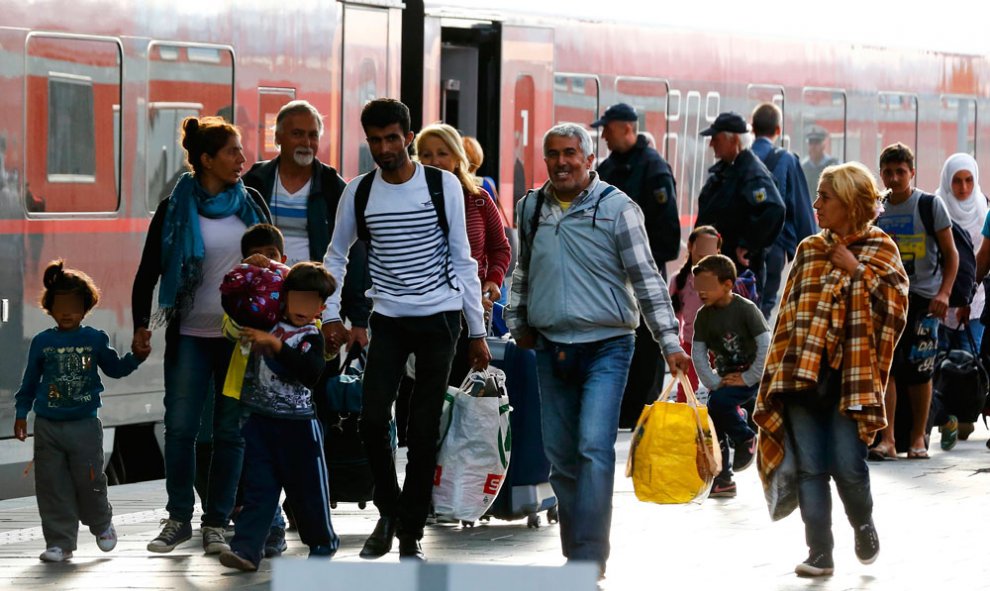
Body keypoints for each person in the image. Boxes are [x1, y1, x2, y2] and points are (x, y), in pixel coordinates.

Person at [504, 122, 690, 578]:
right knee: (561, 456)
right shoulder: (531, 209)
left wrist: (670, 342)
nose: (562, 162)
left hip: (608, 345)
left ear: (590, 160)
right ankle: (577, 545)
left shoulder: (617, 209)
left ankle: (588, 555)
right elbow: (523, 271)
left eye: (571, 153)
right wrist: (517, 322)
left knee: (593, 446)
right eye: (553, 154)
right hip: (550, 347)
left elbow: (647, 280)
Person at [321, 99, 491, 562]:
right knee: (373, 419)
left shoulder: (441, 186)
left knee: (422, 427)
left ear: (408, 138)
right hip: (389, 317)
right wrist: (331, 315)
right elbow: (335, 256)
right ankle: (390, 510)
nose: (384, 148)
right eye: (375, 140)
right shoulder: (359, 192)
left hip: (440, 317)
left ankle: (409, 530)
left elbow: (464, 258)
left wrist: (476, 331)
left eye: (392, 138)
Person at [755, 162, 909, 577]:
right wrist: (775, 376)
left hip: (851, 379)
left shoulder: (881, 249)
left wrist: (856, 270)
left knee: (847, 465)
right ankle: (819, 552)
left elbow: (895, 311)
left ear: (850, 203)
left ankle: (862, 524)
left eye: (825, 197)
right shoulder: (808, 250)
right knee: (810, 468)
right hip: (802, 377)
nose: (816, 205)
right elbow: (788, 316)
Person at [132, 116, 270, 554]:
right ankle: (178, 519)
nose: (243, 160)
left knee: (230, 432)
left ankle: (217, 522)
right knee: (180, 428)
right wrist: (140, 325)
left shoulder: (250, 204)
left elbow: (275, 260)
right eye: (233, 152)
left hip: (239, 340)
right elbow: (148, 271)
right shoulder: (174, 209)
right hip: (189, 334)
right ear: (206, 159)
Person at [14, 260, 150, 563]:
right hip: (48, 425)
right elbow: (29, 382)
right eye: (60, 305)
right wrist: (22, 412)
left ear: (85, 307)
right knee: (51, 485)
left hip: (84, 425)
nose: (66, 312)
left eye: (74, 305)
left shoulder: (94, 339)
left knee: (88, 480)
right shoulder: (42, 342)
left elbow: (114, 369)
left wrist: (136, 358)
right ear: (49, 306)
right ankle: (60, 543)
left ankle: (101, 523)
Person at [219, 262, 339, 572]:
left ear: (321, 307)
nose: (304, 307)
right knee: (259, 490)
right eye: (298, 298)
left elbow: (309, 373)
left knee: (308, 491)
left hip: (299, 427)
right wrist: (254, 267)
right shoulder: (264, 323)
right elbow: (232, 299)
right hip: (260, 423)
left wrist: (276, 346)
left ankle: (322, 544)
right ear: (283, 297)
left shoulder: (312, 335)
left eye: (313, 302)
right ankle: (246, 550)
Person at [242, 99, 371, 358]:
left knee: (316, 380)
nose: (307, 142)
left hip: (314, 304)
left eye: (313, 135)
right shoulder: (255, 183)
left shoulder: (333, 187)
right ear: (278, 137)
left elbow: (354, 255)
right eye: (297, 134)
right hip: (263, 300)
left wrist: (359, 319)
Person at [592, 102, 681, 429]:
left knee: (646, 343)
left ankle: (643, 409)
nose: (603, 135)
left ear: (628, 128)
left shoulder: (653, 169)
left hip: (642, 274)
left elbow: (668, 235)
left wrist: (637, 259)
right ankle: (621, 409)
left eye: (608, 128)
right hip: (609, 278)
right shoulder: (608, 168)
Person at [873, 143, 958, 459]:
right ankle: (888, 439)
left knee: (921, 369)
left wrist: (944, 293)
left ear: (912, 173)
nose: (894, 179)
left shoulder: (929, 205)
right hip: (887, 300)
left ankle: (918, 438)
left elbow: (951, 255)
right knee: (888, 369)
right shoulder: (877, 208)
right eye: (888, 172)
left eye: (900, 172)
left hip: (924, 300)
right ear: (881, 174)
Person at [415, 123, 511, 385]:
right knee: (417, 392)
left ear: (458, 158)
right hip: (418, 311)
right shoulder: (409, 200)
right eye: (426, 154)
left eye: (442, 153)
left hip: (467, 310)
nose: (434, 160)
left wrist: (493, 279)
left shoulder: (478, 199)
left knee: (457, 390)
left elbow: (500, 248)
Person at [691, 254, 769, 497]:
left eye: (707, 287)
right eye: (698, 288)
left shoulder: (746, 310)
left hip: (752, 377)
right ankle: (723, 479)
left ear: (727, 284)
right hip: (725, 378)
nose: (702, 293)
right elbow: (698, 352)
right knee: (715, 417)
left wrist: (749, 378)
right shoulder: (704, 316)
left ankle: (745, 437)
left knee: (719, 404)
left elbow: (766, 346)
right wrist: (713, 381)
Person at [695, 111, 785, 298]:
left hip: (738, 273)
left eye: (716, 139)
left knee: (737, 324)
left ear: (734, 140)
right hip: (718, 268)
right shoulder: (727, 170)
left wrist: (748, 244)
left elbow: (774, 209)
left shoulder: (752, 173)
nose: (711, 144)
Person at [934, 153, 987, 443]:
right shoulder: (934, 208)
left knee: (968, 360)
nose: (963, 188)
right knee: (939, 360)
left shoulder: (984, 209)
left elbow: (984, 260)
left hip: (975, 303)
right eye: (957, 181)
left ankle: (964, 415)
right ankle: (946, 418)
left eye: (969, 180)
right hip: (939, 301)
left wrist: (969, 298)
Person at [750, 103, 816, 320]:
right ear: (778, 130)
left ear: (753, 128)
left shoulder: (740, 159)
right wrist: (810, 253)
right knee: (764, 307)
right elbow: (801, 209)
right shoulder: (787, 160)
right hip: (775, 248)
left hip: (743, 247)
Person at [670, 225, 722, 396]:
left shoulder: (723, 281)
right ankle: (683, 420)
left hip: (719, 344)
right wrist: (674, 344)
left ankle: (729, 419)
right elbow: (673, 315)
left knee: (722, 389)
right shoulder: (679, 280)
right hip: (689, 344)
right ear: (691, 247)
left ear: (717, 251)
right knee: (685, 389)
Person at [801, 125, 840, 199]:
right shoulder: (803, 167)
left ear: (823, 145)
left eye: (817, 143)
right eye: (811, 143)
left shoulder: (833, 166)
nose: (813, 146)